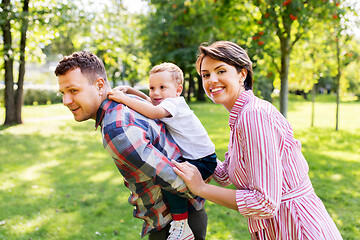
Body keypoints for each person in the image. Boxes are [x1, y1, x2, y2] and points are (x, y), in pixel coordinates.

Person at [173, 41, 343, 240]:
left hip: (297, 227)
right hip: (277, 228)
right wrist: (186, 146)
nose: (212, 80)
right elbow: (225, 174)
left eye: (221, 71)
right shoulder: (240, 116)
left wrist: (201, 188)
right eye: (206, 74)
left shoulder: (254, 115)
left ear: (242, 74)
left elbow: (265, 202)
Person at [54, 51, 208, 240]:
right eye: (63, 93)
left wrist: (201, 187)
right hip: (183, 215)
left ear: (100, 85)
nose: (65, 101)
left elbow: (169, 176)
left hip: (175, 224)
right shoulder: (125, 103)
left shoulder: (117, 129)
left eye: (73, 91)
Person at [108, 62, 217, 240]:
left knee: (168, 181)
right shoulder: (168, 101)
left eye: (162, 87)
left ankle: (181, 226)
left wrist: (123, 99)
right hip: (201, 156)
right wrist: (130, 90)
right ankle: (182, 222)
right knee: (169, 176)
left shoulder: (174, 104)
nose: (156, 92)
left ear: (178, 89)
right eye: (152, 87)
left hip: (202, 161)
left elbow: (151, 111)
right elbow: (147, 101)